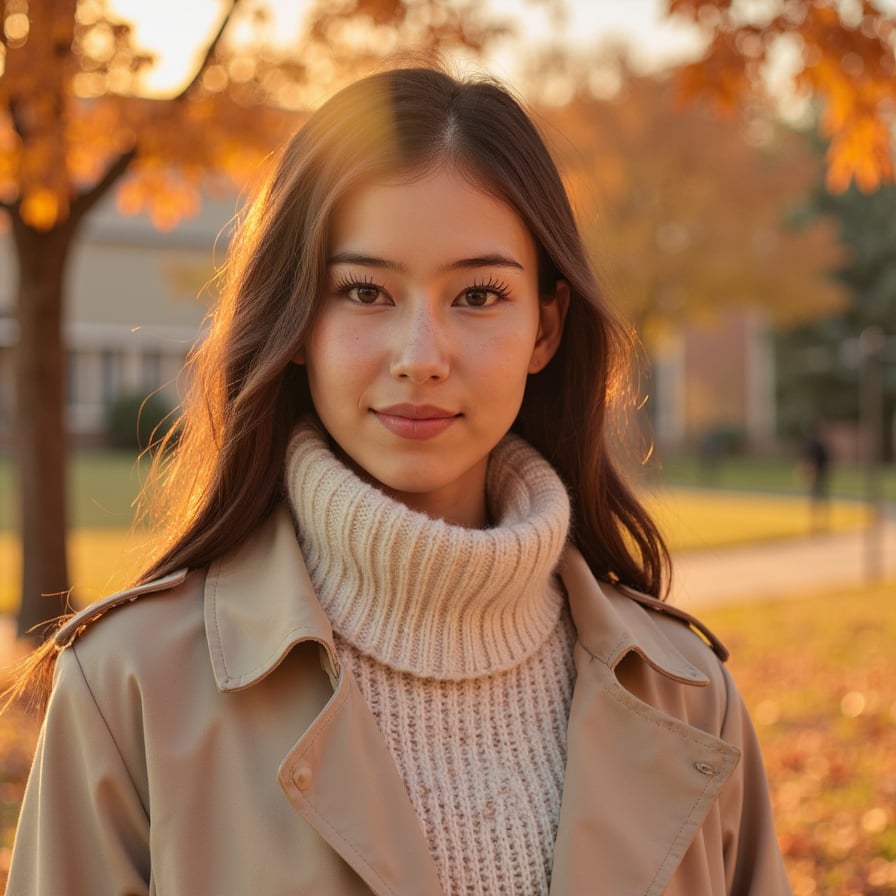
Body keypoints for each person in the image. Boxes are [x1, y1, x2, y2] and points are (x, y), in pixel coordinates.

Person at [6, 66, 792, 894]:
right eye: (366, 291)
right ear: (297, 319)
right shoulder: (130, 686)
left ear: (545, 329)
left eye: (479, 294)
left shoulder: (691, 698)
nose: (421, 356)